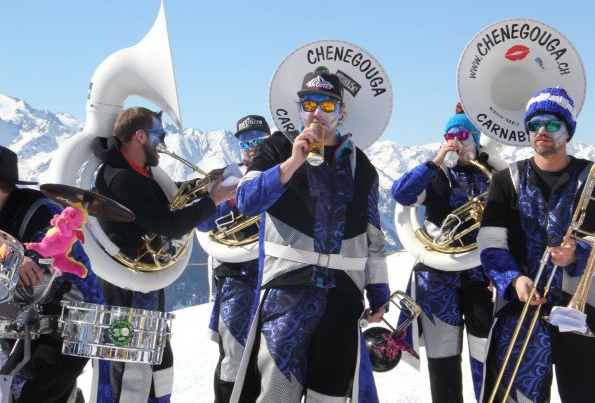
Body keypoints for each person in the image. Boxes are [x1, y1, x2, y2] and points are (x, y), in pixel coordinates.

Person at [231, 67, 390, 402]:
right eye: (309, 103)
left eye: (328, 105)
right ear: (299, 108)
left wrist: (379, 294)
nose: (317, 112)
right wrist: (291, 163)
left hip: (343, 296)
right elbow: (246, 201)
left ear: (341, 111)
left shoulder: (361, 165)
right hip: (287, 290)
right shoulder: (277, 146)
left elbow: (374, 237)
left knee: (330, 396)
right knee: (276, 393)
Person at [477, 87, 595, 403]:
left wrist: (581, 255)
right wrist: (512, 279)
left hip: (583, 310)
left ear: (568, 130)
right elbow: (490, 242)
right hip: (518, 311)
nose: (542, 131)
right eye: (534, 124)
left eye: (551, 123)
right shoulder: (507, 180)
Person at [90, 107, 234, 402]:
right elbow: (170, 224)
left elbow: (164, 197)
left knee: (157, 365)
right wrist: (212, 200)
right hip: (127, 288)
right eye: (160, 135)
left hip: (143, 285)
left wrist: (201, 186)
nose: (164, 143)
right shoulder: (121, 178)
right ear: (140, 136)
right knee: (131, 369)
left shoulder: (136, 171)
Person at [391, 103, 494, 402]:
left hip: (480, 275)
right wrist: (435, 162)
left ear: (475, 139)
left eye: (462, 135)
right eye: (449, 136)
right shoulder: (435, 176)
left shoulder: (493, 176)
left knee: (486, 352)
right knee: (442, 357)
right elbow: (400, 193)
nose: (455, 142)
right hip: (437, 277)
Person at [0, 145, 104, 403]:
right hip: (22, 321)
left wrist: (17, 259)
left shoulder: (45, 213)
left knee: (35, 393)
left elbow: (36, 275)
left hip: (72, 318)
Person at [197, 114, 270, 403]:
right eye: (245, 142)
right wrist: (215, 198)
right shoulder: (227, 178)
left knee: (273, 356)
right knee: (234, 356)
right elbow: (204, 225)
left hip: (275, 276)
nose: (252, 148)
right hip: (236, 278)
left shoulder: (282, 174)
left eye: (259, 140)